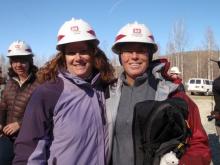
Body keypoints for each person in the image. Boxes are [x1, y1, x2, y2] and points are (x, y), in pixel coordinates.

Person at [105, 22, 211, 165]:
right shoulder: (107, 94)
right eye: (128, 50)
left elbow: (199, 143)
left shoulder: (173, 94)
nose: (134, 56)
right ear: (120, 56)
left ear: (150, 55)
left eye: (141, 50)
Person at [13, 18, 115, 165]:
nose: (78, 58)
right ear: (63, 56)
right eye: (71, 52)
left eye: (83, 51)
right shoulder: (48, 92)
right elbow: (29, 148)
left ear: (93, 53)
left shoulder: (104, 87)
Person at [0, 40, 38, 165]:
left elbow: (42, 113)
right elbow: (3, 106)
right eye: (15, 61)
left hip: (29, 137)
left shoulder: (40, 83)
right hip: (8, 136)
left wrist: (20, 124)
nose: (19, 65)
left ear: (30, 61)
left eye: (23, 60)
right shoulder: (10, 82)